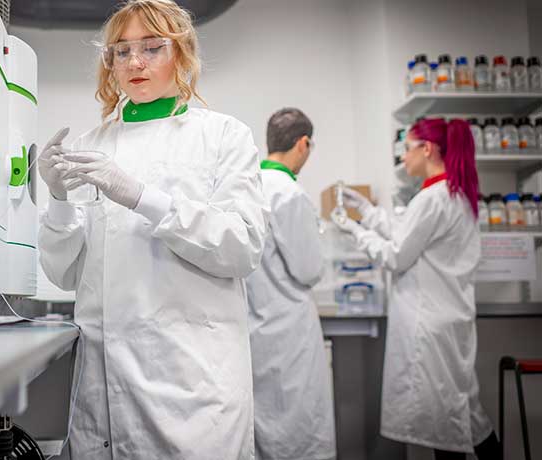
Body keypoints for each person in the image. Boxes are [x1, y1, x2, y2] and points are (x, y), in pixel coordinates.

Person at [36, 1, 269, 458]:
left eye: (152, 48)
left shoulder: (223, 136)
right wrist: (59, 200)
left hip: (191, 385)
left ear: (181, 54)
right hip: (103, 386)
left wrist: (141, 196)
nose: (135, 62)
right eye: (121, 51)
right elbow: (63, 275)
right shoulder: (88, 147)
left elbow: (241, 247)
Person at [332, 118, 501, 460]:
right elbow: (406, 232)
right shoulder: (455, 193)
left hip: (431, 326)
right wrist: (365, 209)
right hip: (449, 320)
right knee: (464, 413)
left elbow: (396, 255)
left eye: (407, 148)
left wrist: (353, 229)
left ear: (427, 149)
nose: (403, 158)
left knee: (447, 424)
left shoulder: (433, 198)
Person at [245, 108, 336, 460]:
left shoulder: (248, 187)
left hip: (255, 329)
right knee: (298, 431)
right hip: (290, 333)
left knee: (263, 427)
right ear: (303, 143)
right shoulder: (289, 192)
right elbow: (309, 270)